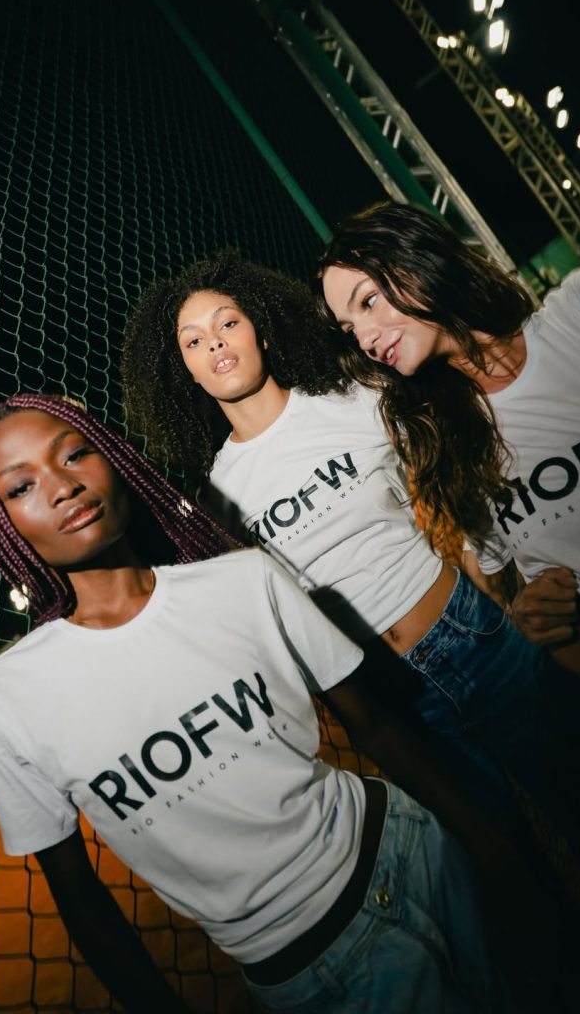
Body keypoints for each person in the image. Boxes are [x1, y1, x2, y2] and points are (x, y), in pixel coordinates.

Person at [0, 392, 557, 1014]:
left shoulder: (245, 579)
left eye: (75, 454)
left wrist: (493, 851)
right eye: (20, 487)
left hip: (418, 850)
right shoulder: (6, 700)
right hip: (312, 965)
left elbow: (376, 726)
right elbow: (80, 898)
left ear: (114, 459)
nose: (63, 487)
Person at [316, 200, 580, 1002]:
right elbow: (501, 575)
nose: (363, 334)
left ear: (416, 259)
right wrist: (524, 610)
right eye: (347, 326)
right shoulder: (443, 437)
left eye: (367, 301)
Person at [121, 254, 548, 823]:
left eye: (228, 323)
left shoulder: (352, 400)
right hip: (385, 694)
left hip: (473, 636)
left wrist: (486, 563)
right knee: (497, 839)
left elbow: (459, 462)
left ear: (261, 331)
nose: (215, 343)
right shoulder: (218, 498)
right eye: (193, 341)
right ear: (187, 372)